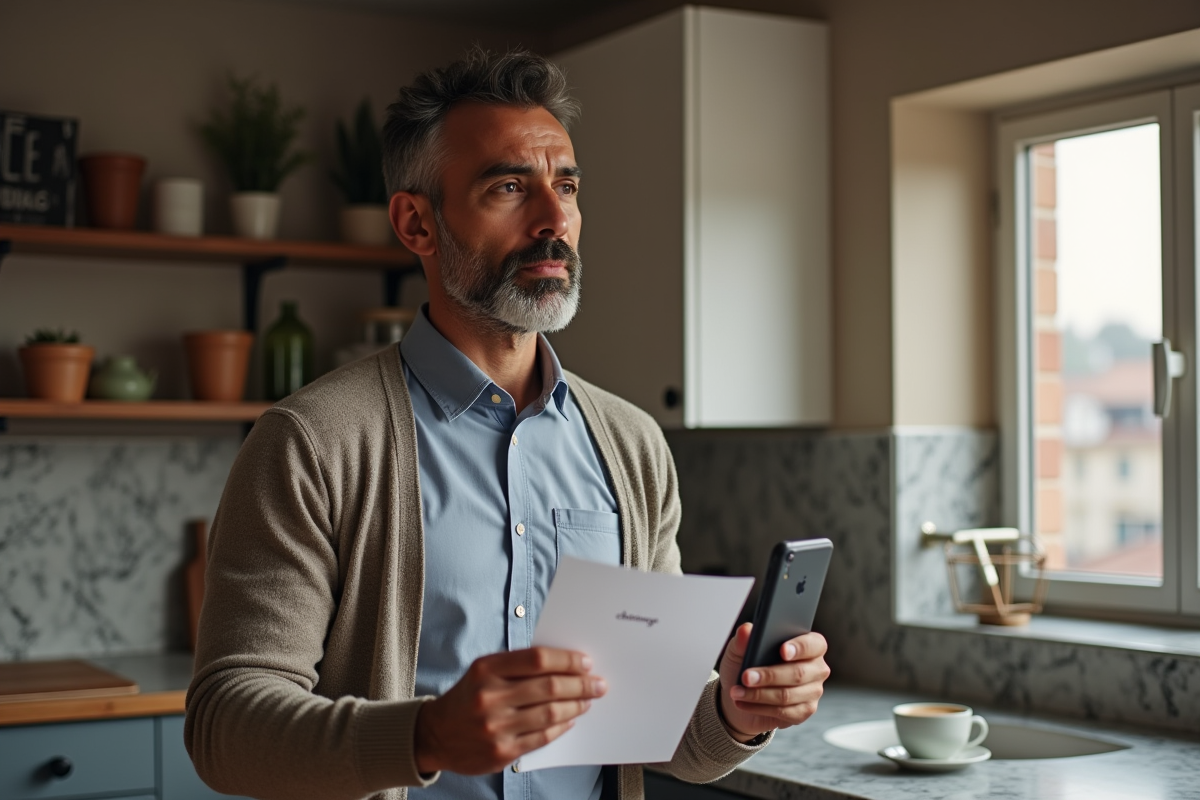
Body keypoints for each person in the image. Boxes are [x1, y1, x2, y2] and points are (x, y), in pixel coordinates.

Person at [185, 49, 829, 800]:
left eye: (567, 186)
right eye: (509, 187)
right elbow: (223, 727)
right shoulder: (311, 444)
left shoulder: (632, 447)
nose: (554, 220)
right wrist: (422, 736)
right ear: (416, 222)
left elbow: (658, 728)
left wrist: (735, 710)